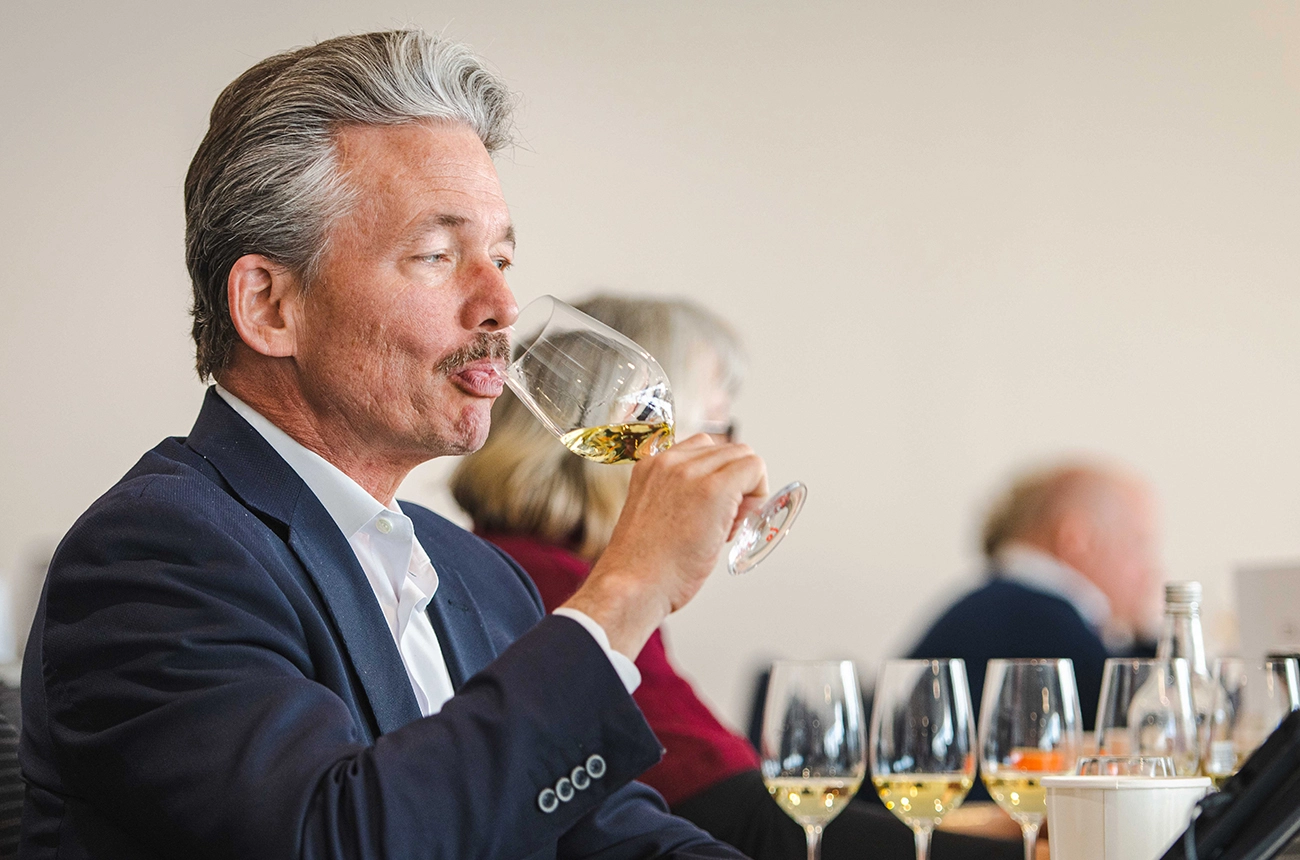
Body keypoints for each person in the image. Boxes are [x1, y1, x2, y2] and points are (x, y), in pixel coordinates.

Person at [19, 31, 770, 859]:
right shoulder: (154, 557)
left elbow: (613, 838)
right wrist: (628, 589)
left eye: (502, 256)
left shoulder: (482, 578)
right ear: (269, 307)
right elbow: (339, 840)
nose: (502, 304)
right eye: (437, 255)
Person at [453, 295, 1021, 860]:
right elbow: (732, 815)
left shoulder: (550, 567)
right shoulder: (552, 585)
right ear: (619, 421)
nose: (733, 452)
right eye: (716, 426)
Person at [908, 461, 1163, 731]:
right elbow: (1142, 721)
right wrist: (1151, 633)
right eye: (1138, 544)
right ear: (1076, 540)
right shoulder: (1044, 622)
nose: (1152, 570)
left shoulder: (987, 604)